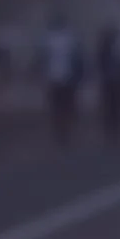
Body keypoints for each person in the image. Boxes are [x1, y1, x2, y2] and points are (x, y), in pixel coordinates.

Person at [39, 14, 84, 146]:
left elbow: (42, 59)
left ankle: (60, 130)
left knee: (57, 106)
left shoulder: (48, 39)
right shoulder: (71, 38)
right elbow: (78, 60)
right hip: (67, 77)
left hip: (54, 77)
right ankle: (64, 130)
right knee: (66, 105)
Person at [94, 24, 120, 142]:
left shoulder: (119, 49)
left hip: (117, 82)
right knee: (110, 108)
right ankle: (111, 132)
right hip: (109, 82)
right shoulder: (104, 50)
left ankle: (116, 132)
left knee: (116, 108)